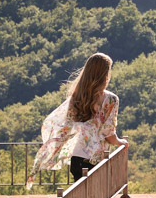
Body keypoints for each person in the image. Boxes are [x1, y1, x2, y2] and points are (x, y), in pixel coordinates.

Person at [34, 52, 125, 180]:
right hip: (95, 159)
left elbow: (67, 126)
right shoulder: (111, 100)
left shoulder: (77, 97)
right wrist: (122, 143)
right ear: (105, 74)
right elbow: (109, 134)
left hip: (76, 158)